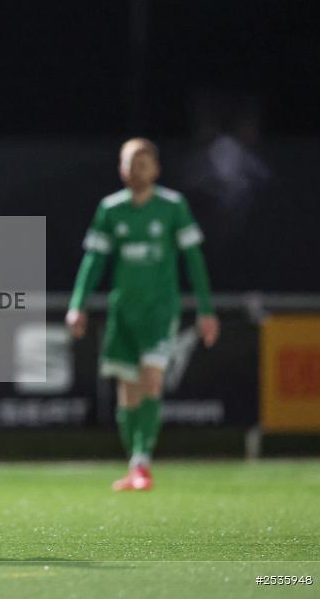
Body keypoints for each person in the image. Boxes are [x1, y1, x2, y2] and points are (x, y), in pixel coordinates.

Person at [66, 138, 220, 491]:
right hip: (124, 313)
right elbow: (94, 261)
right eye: (131, 162)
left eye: (144, 162)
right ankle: (135, 462)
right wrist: (77, 305)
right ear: (121, 168)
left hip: (160, 311)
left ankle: (142, 462)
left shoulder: (172, 206)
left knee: (152, 380)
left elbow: (193, 260)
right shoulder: (111, 209)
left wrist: (206, 310)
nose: (138, 168)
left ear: (157, 168)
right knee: (127, 394)